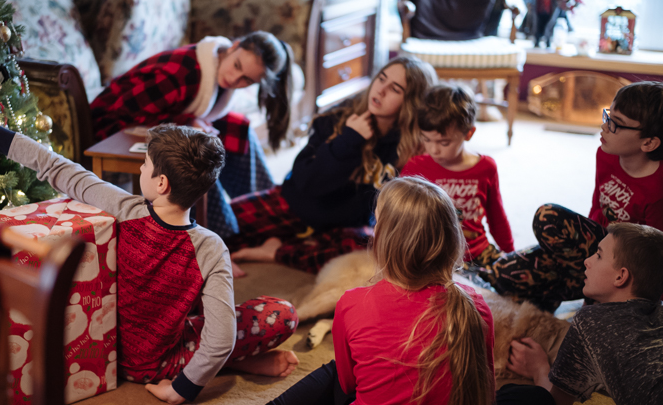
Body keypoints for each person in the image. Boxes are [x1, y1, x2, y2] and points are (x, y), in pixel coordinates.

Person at [0, 92, 299, 405]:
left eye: (145, 165)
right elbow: (220, 338)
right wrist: (181, 391)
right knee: (281, 313)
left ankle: (231, 364)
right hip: (165, 364)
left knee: (210, 318)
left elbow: (52, 164)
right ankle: (233, 365)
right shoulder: (211, 248)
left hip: (108, 354)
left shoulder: (123, 209)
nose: (140, 170)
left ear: (162, 183)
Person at [180, 177, 554, 405]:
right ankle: (543, 379)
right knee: (532, 401)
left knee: (335, 371)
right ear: (451, 241)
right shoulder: (476, 307)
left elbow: (348, 385)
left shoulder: (354, 303)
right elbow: (482, 395)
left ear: (381, 242)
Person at [228, 56, 437, 276]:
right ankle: (294, 243)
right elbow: (305, 180)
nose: (381, 90)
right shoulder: (336, 117)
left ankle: (278, 252)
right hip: (294, 205)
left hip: (343, 228)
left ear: (410, 102)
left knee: (370, 251)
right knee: (222, 221)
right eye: (381, 79)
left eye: (395, 89)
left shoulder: (411, 147)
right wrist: (348, 140)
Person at [90, 31, 294, 240]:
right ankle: (224, 236)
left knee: (239, 129)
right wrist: (187, 122)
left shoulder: (217, 66)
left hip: (163, 117)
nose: (235, 79)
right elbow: (129, 113)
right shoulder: (180, 74)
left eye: (247, 80)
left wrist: (190, 122)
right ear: (234, 46)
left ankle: (265, 213)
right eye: (236, 66)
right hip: (110, 127)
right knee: (198, 157)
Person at [487, 81, 663, 312]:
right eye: (608, 115)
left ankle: (591, 295)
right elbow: (596, 208)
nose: (604, 126)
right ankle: (567, 291)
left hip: (621, 265)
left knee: (547, 217)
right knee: (502, 272)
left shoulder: (657, 190)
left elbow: (653, 260)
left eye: (616, 124)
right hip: (594, 248)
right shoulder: (606, 155)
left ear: (648, 142)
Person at [508, 223, 663, 405]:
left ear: (621, 276)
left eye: (598, 255)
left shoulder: (590, 322)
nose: (587, 261)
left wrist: (539, 368)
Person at [401, 84, 514, 276]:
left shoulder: (486, 167)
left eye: (444, 142)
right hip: (434, 257)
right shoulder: (415, 167)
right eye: (427, 139)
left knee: (519, 277)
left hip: (479, 252)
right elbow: (398, 214)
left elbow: (497, 218)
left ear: (469, 133)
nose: (434, 150)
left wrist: (510, 254)